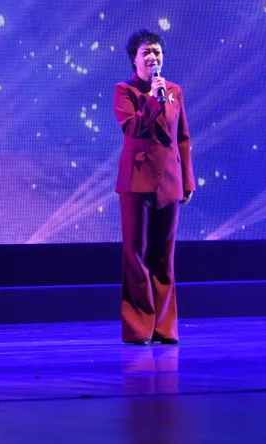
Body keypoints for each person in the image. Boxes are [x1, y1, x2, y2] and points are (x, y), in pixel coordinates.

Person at [113, 28, 195, 345]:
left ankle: (164, 327)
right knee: (137, 254)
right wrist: (151, 99)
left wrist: (187, 179)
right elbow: (132, 127)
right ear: (134, 59)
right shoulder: (126, 91)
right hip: (137, 180)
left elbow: (182, 138)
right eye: (146, 52)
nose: (152, 57)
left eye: (156, 52)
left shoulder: (174, 90)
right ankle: (139, 328)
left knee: (164, 256)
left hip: (170, 180)